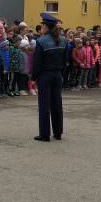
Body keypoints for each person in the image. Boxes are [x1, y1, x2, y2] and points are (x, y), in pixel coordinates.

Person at [31, 13, 66, 142]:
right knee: (57, 103)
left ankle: (44, 134)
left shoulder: (41, 41)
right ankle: (58, 132)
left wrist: (33, 78)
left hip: (45, 75)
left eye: (42, 25)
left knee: (44, 105)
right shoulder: (63, 39)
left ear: (46, 26)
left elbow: (37, 62)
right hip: (58, 74)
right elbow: (65, 60)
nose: (41, 27)